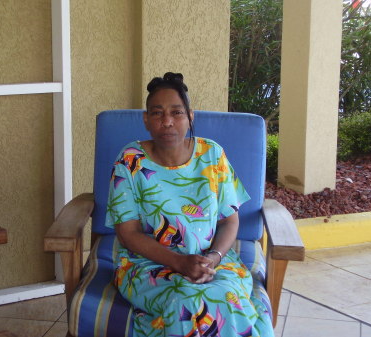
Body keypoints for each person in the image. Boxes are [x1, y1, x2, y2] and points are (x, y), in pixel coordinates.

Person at [105, 72, 274, 336]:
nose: (167, 122)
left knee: (226, 297)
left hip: (213, 260)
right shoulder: (130, 161)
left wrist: (213, 259)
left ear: (190, 116)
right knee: (188, 301)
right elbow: (127, 234)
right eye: (158, 113)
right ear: (146, 119)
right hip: (147, 263)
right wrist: (179, 263)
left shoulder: (212, 154)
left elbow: (230, 220)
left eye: (177, 113)